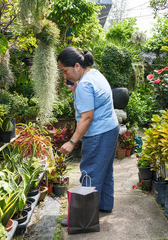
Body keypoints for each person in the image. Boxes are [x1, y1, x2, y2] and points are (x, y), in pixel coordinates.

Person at [57, 47, 119, 214]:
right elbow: (95, 99)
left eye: (65, 71)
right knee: (105, 171)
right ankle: (104, 206)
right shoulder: (94, 74)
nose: (65, 76)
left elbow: (87, 118)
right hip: (110, 129)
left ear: (77, 66)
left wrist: (72, 142)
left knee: (90, 172)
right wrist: (76, 89)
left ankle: (83, 217)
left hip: (98, 133)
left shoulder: (84, 84)